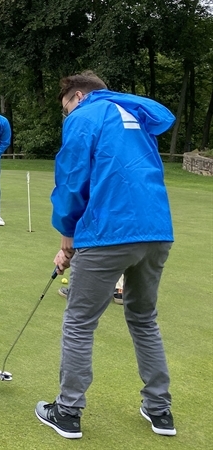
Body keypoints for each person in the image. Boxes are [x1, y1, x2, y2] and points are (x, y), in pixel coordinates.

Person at [35, 72, 177, 439]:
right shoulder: (132, 113)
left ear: (78, 96)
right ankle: (160, 411)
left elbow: (71, 178)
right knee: (144, 318)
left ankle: (67, 412)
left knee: (80, 322)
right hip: (157, 230)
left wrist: (68, 234)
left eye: (65, 107)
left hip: (110, 231)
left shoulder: (85, 115)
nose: (66, 115)